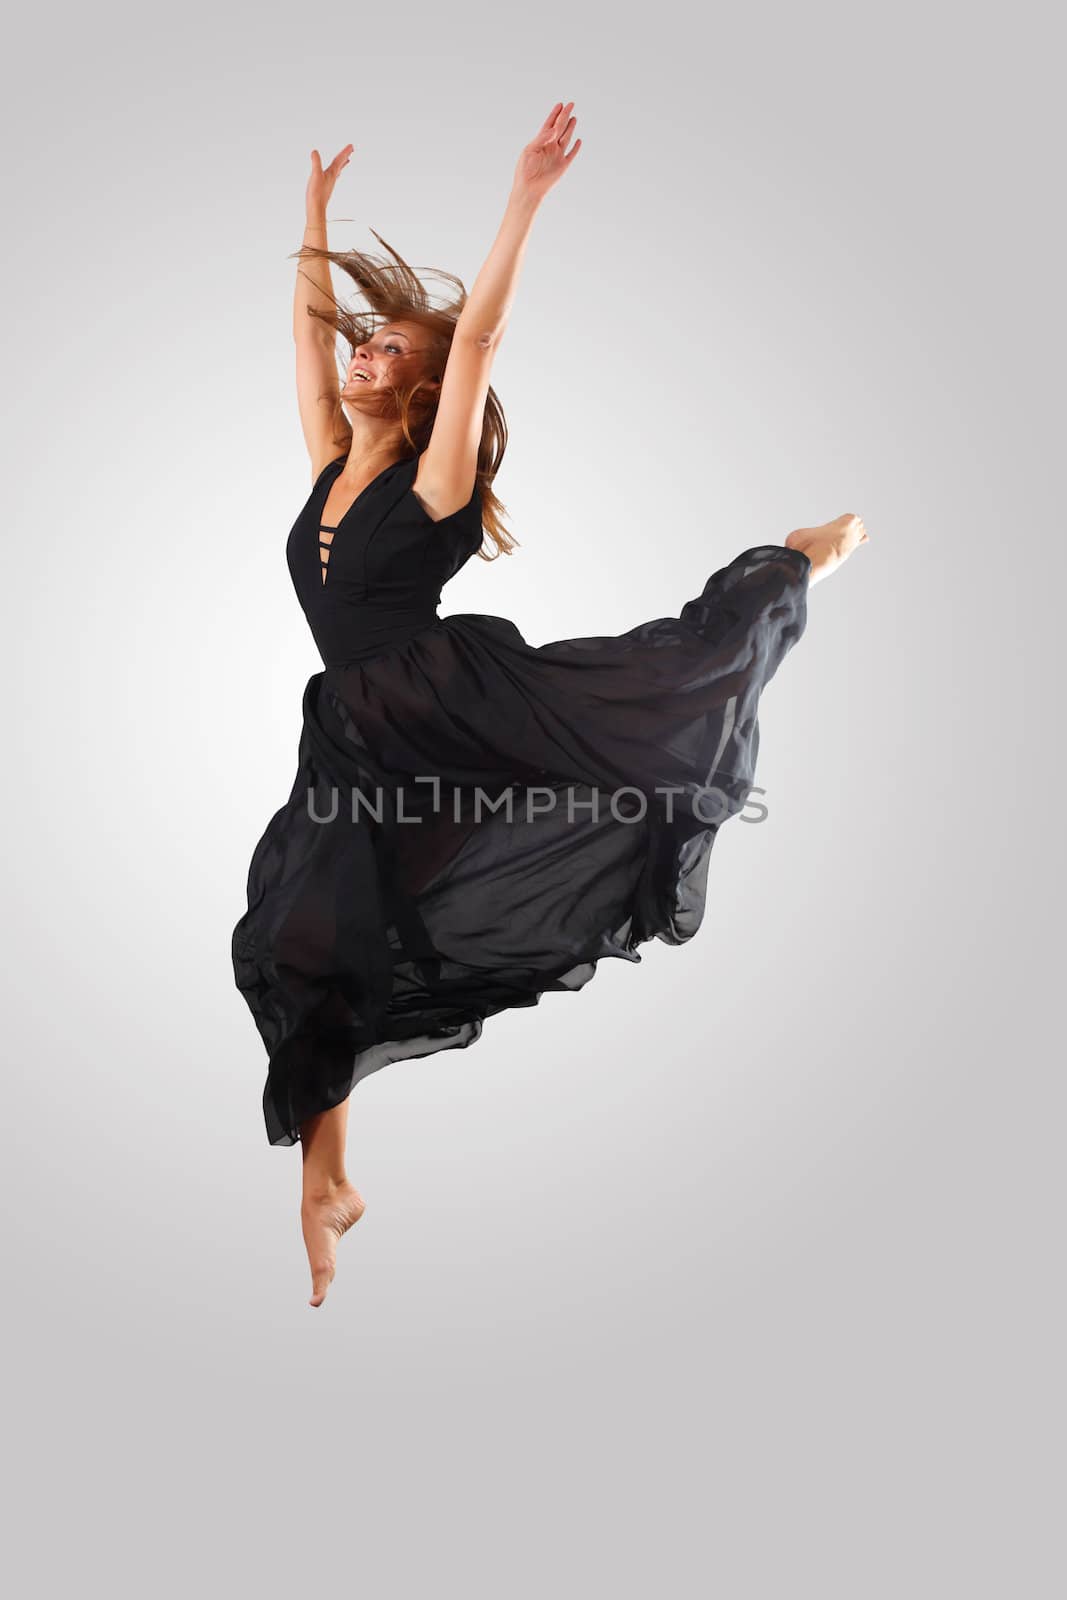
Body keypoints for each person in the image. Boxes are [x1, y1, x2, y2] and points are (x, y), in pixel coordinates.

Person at [231, 101, 870, 1308]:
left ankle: (792, 562)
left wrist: (523, 197)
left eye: (392, 352)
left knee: (664, 684)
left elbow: (477, 341)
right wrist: (311, 221)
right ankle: (328, 1179)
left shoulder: (434, 475)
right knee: (306, 932)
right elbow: (314, 348)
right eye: (366, 345)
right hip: (353, 732)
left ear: (424, 392)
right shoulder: (329, 456)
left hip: (441, 709)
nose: (367, 354)